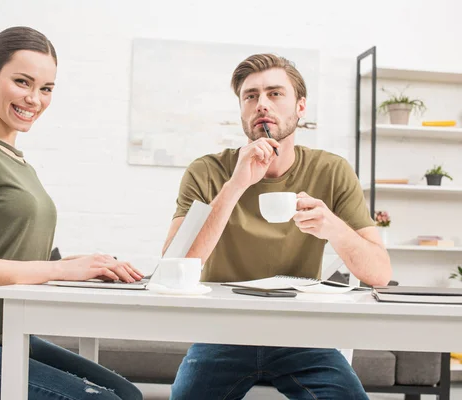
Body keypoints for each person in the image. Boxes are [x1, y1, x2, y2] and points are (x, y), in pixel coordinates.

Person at [0, 26, 144, 400]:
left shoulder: (19, 164)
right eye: (22, 82)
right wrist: (63, 269)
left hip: (7, 338)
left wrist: (89, 263)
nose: (35, 99)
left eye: (46, 88)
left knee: (128, 395)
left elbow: (26, 260)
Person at [164, 53, 392, 400]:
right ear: (241, 109)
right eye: (250, 96)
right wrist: (236, 185)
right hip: (223, 330)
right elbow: (172, 268)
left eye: (275, 94)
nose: (261, 105)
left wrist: (332, 226)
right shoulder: (207, 171)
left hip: (301, 333)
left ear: (301, 107)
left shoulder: (332, 171)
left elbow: (380, 273)